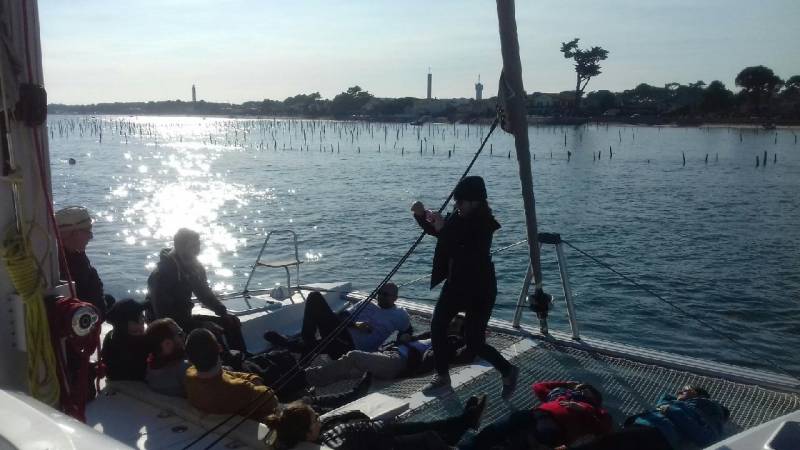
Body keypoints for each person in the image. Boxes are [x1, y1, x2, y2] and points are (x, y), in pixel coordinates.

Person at [411, 175, 518, 396]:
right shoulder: (458, 216)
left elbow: (465, 253)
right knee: (437, 325)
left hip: (479, 288)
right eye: (455, 202)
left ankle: (508, 370)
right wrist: (421, 216)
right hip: (455, 284)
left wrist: (443, 228)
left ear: (475, 202)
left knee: (474, 342)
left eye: (460, 202)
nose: (456, 205)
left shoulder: (484, 226)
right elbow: (440, 234)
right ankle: (441, 375)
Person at [184, 329, 370, 423]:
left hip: (248, 406)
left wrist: (244, 377)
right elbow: (269, 396)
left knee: (289, 366)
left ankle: (295, 352)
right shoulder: (239, 389)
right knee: (307, 399)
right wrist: (251, 379)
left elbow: (229, 374)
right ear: (218, 348)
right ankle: (352, 394)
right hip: (275, 413)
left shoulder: (191, 377)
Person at [265, 394, 487, 450]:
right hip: (386, 442)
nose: (319, 420)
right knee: (429, 437)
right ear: (306, 433)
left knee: (429, 427)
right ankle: (466, 423)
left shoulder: (300, 435)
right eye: (315, 420)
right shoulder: (334, 445)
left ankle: (465, 420)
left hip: (380, 431)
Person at [148, 228, 246, 352]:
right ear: (180, 247)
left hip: (185, 317)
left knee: (231, 323)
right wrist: (200, 326)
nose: (198, 250)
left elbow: (204, 294)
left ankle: (241, 359)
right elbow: (164, 315)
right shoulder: (162, 274)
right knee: (209, 331)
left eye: (198, 245)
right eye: (193, 246)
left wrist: (223, 313)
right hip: (165, 326)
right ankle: (222, 363)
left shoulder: (194, 266)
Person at [304, 315, 469, 386]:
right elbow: (411, 336)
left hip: (397, 362)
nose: (450, 324)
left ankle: (307, 375)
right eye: (451, 321)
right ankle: (305, 381)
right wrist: (407, 339)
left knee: (354, 357)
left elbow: (434, 357)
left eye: (455, 325)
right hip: (390, 354)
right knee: (347, 371)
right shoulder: (433, 335)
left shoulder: (450, 342)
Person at [265, 285, 411, 360]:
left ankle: (294, 345)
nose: (380, 296)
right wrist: (355, 324)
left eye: (385, 295)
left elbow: (407, 331)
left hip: (353, 348)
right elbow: (342, 316)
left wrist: (400, 343)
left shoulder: (399, 315)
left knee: (317, 346)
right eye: (379, 292)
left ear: (395, 298)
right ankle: (304, 343)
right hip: (340, 331)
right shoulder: (366, 303)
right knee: (314, 297)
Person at [564, 385, 730, 450]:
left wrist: (673, 411)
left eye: (685, 389)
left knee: (607, 443)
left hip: (657, 433)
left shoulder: (707, 408)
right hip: (652, 433)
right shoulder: (685, 405)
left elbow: (707, 437)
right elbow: (662, 401)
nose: (679, 391)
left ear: (698, 395)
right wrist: (674, 403)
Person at [459, 380, 612, 450]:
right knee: (498, 428)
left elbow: (605, 427)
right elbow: (538, 387)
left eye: (586, 390)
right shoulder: (561, 396)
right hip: (534, 415)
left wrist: (581, 409)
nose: (581, 390)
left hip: (556, 426)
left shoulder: (592, 409)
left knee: (522, 441)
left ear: (594, 398)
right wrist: (566, 384)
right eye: (580, 388)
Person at [55, 206, 114, 317]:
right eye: (88, 231)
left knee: (110, 299)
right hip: (84, 321)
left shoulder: (77, 256)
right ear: (74, 233)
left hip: (90, 314)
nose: (91, 236)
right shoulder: (64, 266)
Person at [101, 298, 150, 381]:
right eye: (140, 317)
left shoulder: (110, 336)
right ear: (126, 324)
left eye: (142, 316)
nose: (143, 320)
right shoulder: (139, 342)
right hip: (136, 386)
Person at [145, 318, 191, 396]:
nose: (185, 335)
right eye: (180, 334)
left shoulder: (150, 370)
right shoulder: (184, 368)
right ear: (167, 344)